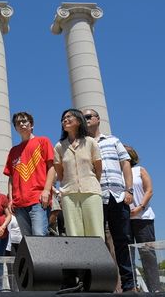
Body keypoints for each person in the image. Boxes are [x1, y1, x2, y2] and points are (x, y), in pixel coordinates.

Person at [83, 108, 136, 292]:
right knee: (98, 242)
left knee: (122, 240)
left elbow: (125, 163)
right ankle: (103, 284)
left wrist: (128, 190)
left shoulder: (113, 140)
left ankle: (129, 284)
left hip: (118, 196)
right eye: (83, 118)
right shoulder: (83, 144)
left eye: (88, 116)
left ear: (98, 119)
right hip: (96, 196)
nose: (86, 119)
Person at [53, 109, 104, 239]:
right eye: (63, 119)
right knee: (74, 233)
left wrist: (91, 183)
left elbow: (98, 168)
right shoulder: (59, 146)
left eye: (69, 117)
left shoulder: (90, 142)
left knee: (96, 231)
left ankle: (98, 259)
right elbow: (60, 173)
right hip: (69, 194)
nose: (65, 120)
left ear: (79, 120)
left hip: (91, 191)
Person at [3, 112, 54, 237]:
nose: (21, 124)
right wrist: (10, 199)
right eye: (18, 123)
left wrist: (46, 190)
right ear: (15, 128)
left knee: (39, 236)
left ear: (31, 125)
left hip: (38, 199)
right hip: (19, 203)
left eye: (24, 121)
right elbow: (11, 177)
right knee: (28, 241)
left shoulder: (43, 141)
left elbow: (51, 167)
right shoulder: (13, 151)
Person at [125, 145, 160, 292]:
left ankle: (155, 289)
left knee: (147, 254)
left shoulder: (140, 170)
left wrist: (140, 207)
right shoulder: (118, 174)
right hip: (125, 220)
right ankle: (132, 289)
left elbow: (149, 190)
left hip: (143, 218)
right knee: (127, 256)